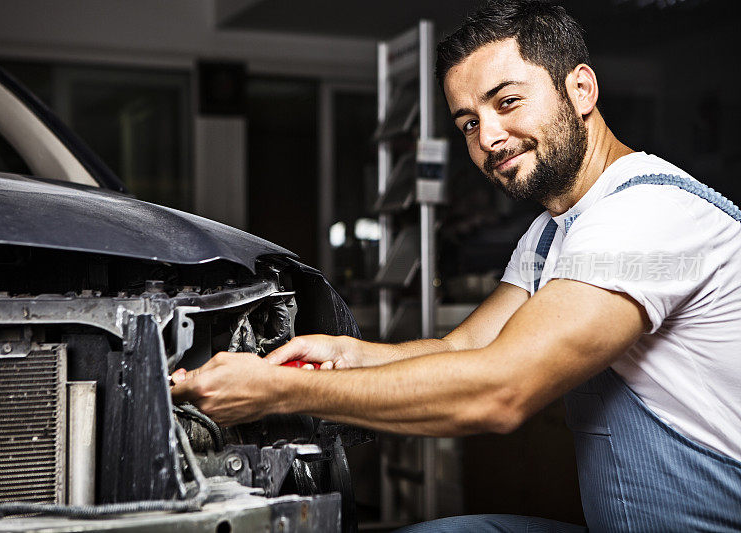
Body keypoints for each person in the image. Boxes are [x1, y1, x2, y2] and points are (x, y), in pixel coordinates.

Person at [171, 0, 741, 529]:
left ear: (581, 88)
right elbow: (463, 350)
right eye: (469, 122)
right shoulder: (553, 232)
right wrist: (347, 355)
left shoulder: (645, 213)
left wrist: (279, 393)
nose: (489, 137)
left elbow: (501, 388)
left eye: (508, 101)